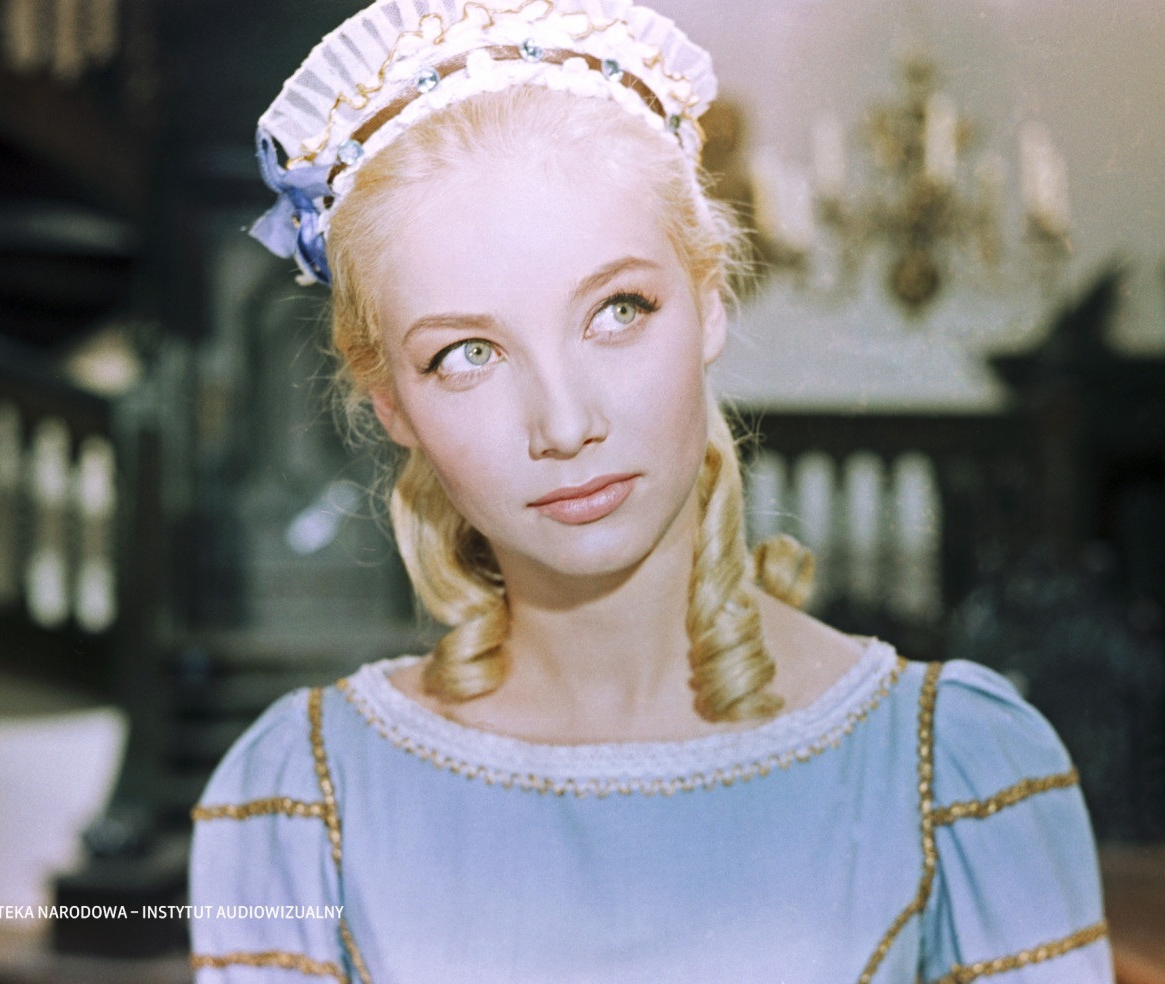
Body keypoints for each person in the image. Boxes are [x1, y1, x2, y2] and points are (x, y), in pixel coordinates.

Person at [188, 1, 1113, 980]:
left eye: (616, 311)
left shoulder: (953, 774)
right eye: (467, 354)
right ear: (392, 406)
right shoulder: (303, 803)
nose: (563, 424)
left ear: (709, 302)